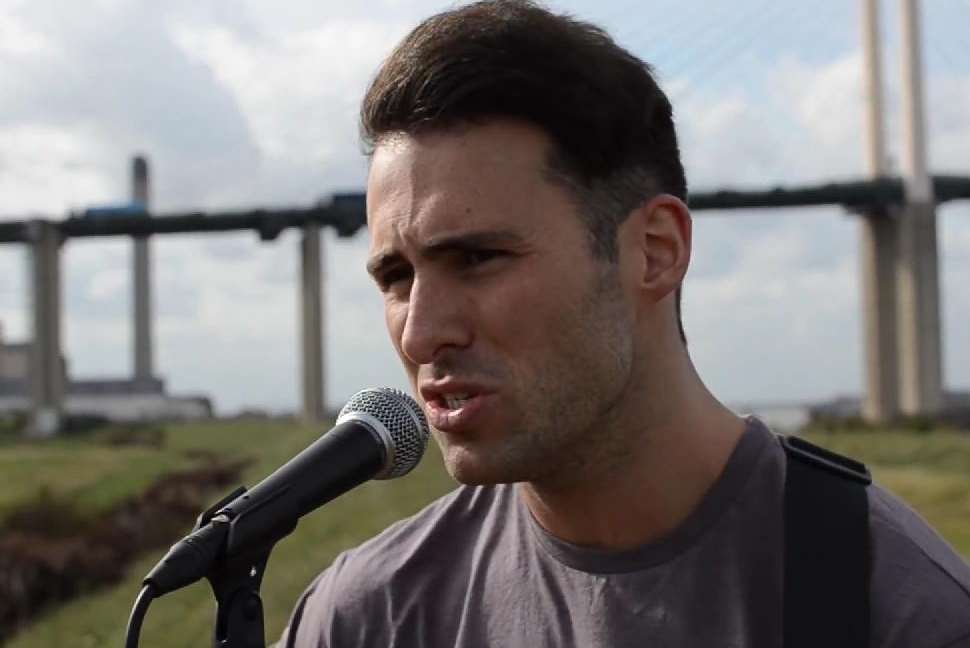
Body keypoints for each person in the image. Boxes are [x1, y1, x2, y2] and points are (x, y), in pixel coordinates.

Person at [281, 2, 970, 646]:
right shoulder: (367, 617)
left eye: (476, 257)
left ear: (655, 251)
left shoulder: (894, 611)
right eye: (395, 277)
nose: (419, 333)